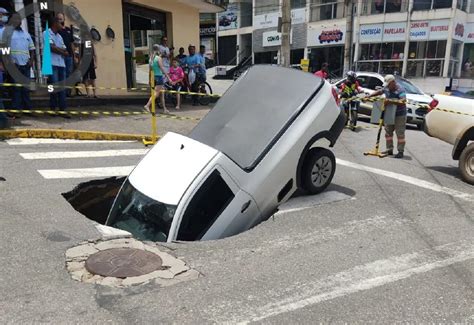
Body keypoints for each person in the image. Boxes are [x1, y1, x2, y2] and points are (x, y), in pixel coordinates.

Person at [368, 74, 407, 159]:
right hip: (389, 112)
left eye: (388, 84)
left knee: (400, 133)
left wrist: (390, 101)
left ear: (393, 82)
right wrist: (369, 96)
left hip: (399, 114)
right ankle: (389, 149)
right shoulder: (386, 87)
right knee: (388, 132)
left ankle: (400, 151)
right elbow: (380, 91)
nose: (387, 87)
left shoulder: (400, 89)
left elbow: (403, 101)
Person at [5, 13, 35, 111]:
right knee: (16, 89)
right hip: (15, 65)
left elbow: (32, 49)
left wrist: (31, 61)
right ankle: (16, 110)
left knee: (26, 89)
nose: (18, 21)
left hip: (26, 65)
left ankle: (28, 109)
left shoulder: (26, 34)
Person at [44, 17, 68, 113]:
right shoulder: (46, 33)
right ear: (54, 23)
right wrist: (62, 51)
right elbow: (51, 48)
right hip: (51, 64)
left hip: (61, 64)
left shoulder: (59, 36)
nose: (62, 24)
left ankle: (63, 109)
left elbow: (66, 50)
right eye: (60, 22)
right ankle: (53, 108)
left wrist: (60, 50)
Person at [144, 44, 170, 113]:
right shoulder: (158, 58)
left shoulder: (151, 58)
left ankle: (164, 109)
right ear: (159, 50)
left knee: (161, 93)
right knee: (156, 93)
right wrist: (168, 78)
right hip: (159, 77)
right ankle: (147, 105)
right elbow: (162, 69)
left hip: (153, 77)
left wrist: (149, 79)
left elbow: (150, 70)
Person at [56, 13, 75, 97]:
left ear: (64, 19)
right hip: (60, 56)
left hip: (69, 56)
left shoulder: (68, 30)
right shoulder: (56, 31)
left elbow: (72, 43)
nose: (60, 20)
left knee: (69, 73)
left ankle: (68, 92)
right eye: (58, 19)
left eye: (61, 19)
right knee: (61, 74)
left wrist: (74, 56)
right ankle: (61, 92)